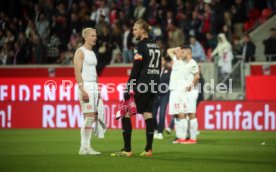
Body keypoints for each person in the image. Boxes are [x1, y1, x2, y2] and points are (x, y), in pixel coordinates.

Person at [111, 19, 161, 157]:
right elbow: (159, 67)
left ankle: (127, 150)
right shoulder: (156, 45)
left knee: (125, 112)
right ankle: (148, 149)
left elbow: (136, 69)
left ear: (143, 30)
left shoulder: (140, 46)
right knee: (147, 113)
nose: (133, 32)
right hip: (154, 84)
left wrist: (129, 87)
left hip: (143, 83)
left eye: (135, 29)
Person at [73, 28, 101, 155]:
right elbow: (77, 71)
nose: (95, 37)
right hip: (86, 86)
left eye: (95, 35)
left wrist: (98, 89)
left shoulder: (92, 53)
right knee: (89, 117)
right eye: (92, 35)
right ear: (86, 37)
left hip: (94, 87)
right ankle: (84, 147)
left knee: (91, 117)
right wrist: (82, 89)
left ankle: (86, 147)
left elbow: (94, 72)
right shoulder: (80, 52)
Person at [167, 45, 200, 144]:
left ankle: (192, 138)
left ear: (188, 52)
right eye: (181, 52)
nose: (181, 53)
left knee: (190, 113)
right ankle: (181, 137)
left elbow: (197, 76)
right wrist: (176, 48)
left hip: (190, 91)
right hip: (181, 91)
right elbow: (169, 50)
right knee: (179, 113)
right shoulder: (182, 62)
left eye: (183, 52)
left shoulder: (192, 63)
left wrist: (191, 85)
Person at [153, 57, 171, 140]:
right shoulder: (153, 71)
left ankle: (160, 132)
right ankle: (155, 130)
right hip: (155, 95)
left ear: (164, 62)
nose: (160, 61)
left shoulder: (169, 71)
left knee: (162, 114)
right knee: (153, 115)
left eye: (162, 60)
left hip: (164, 95)